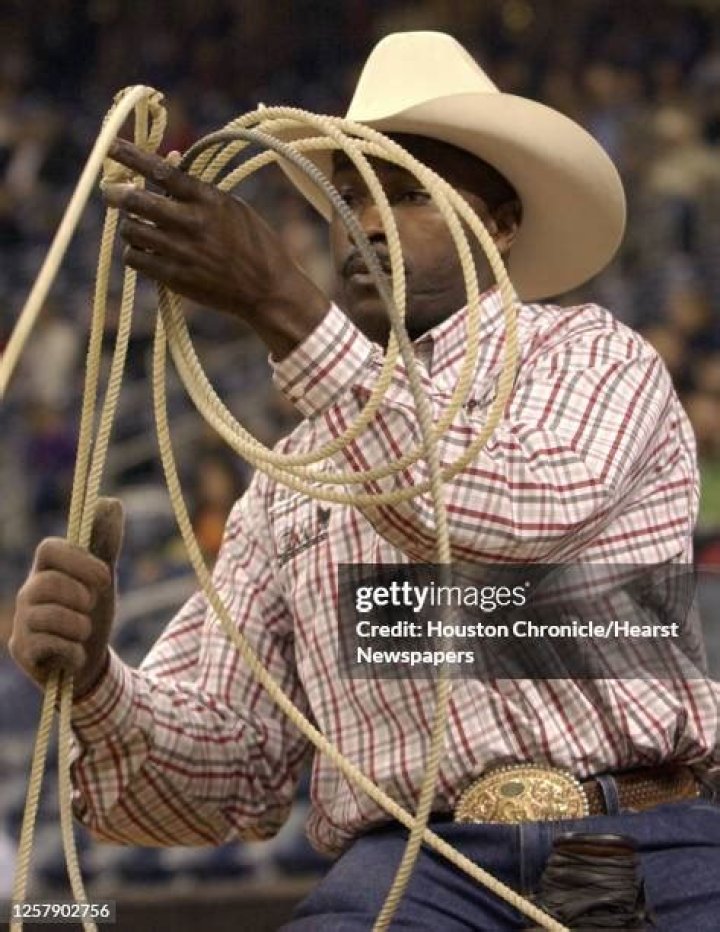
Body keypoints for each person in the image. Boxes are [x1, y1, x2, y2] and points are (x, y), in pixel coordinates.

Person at [9, 31, 720, 930]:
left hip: (643, 840)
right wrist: (100, 681)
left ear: (498, 225)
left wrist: (285, 308)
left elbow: (514, 511)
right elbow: (229, 776)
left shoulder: (589, 354)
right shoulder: (290, 480)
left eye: (407, 192)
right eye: (347, 199)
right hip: (415, 872)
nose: (367, 223)